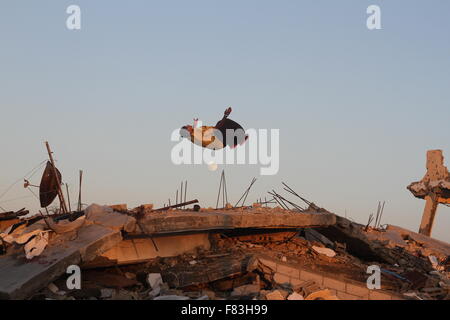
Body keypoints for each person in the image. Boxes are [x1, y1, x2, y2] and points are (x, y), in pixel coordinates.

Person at [180, 107, 248, 150]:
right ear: (187, 131)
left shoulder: (192, 134)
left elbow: (194, 132)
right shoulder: (196, 136)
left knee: (221, 124)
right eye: (187, 126)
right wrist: (225, 115)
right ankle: (239, 139)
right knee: (225, 122)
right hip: (218, 141)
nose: (188, 125)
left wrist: (195, 123)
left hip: (218, 141)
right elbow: (214, 131)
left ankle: (233, 142)